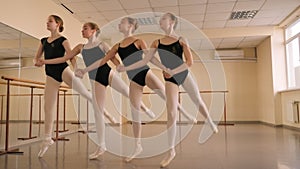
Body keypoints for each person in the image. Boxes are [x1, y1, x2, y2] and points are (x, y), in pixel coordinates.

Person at [76, 17, 196, 162]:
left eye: (122, 23)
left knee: (166, 96)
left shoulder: (139, 41)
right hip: (134, 79)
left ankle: (185, 113)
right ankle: (137, 146)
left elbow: (150, 58)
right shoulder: (117, 45)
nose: (119, 24)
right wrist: (86, 70)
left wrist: (165, 68)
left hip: (146, 73)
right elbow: (103, 60)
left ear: (131, 26)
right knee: (135, 113)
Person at [37, 22, 156, 159]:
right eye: (82, 29)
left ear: (94, 31)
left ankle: (145, 108)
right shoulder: (80, 47)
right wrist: (46, 62)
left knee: (128, 93)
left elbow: (114, 59)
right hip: (95, 80)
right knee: (98, 112)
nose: (82, 31)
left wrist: (126, 70)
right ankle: (101, 146)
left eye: (85, 29)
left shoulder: (102, 45)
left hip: (108, 74)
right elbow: (65, 58)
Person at [117, 12, 219, 167]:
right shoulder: (157, 42)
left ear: (172, 22)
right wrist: (164, 68)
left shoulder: (181, 40)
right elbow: (147, 59)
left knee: (196, 99)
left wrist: (174, 71)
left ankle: (210, 121)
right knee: (171, 112)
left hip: (183, 73)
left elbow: (189, 62)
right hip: (169, 78)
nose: (161, 21)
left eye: (164, 18)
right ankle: (171, 150)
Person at [33, 15, 116, 158]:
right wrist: (37, 61)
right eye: (47, 21)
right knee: (48, 106)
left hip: (63, 71)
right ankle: (47, 139)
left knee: (84, 93)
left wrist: (76, 69)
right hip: (50, 74)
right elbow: (37, 57)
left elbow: (71, 55)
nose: (47, 23)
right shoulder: (43, 41)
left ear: (58, 24)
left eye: (50, 21)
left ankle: (105, 112)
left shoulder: (63, 40)